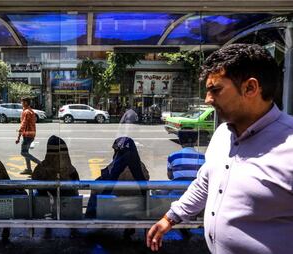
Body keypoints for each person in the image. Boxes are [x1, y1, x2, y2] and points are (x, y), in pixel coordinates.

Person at [147, 44, 293, 253]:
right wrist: (170, 218)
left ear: (250, 88)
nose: (208, 100)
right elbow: (206, 183)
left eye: (215, 90)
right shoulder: (222, 134)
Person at [85, 137, 149, 218]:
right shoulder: (139, 166)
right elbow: (146, 178)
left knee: (95, 187)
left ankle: (90, 217)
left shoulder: (115, 167)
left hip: (116, 202)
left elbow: (105, 179)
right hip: (137, 205)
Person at [16, 97, 41, 175]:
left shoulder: (26, 112)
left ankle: (41, 164)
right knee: (26, 152)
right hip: (30, 134)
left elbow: (23, 124)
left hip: (27, 135)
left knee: (23, 152)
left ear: (26, 103)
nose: (21, 103)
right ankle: (29, 169)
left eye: (22, 102)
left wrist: (18, 137)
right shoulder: (30, 111)